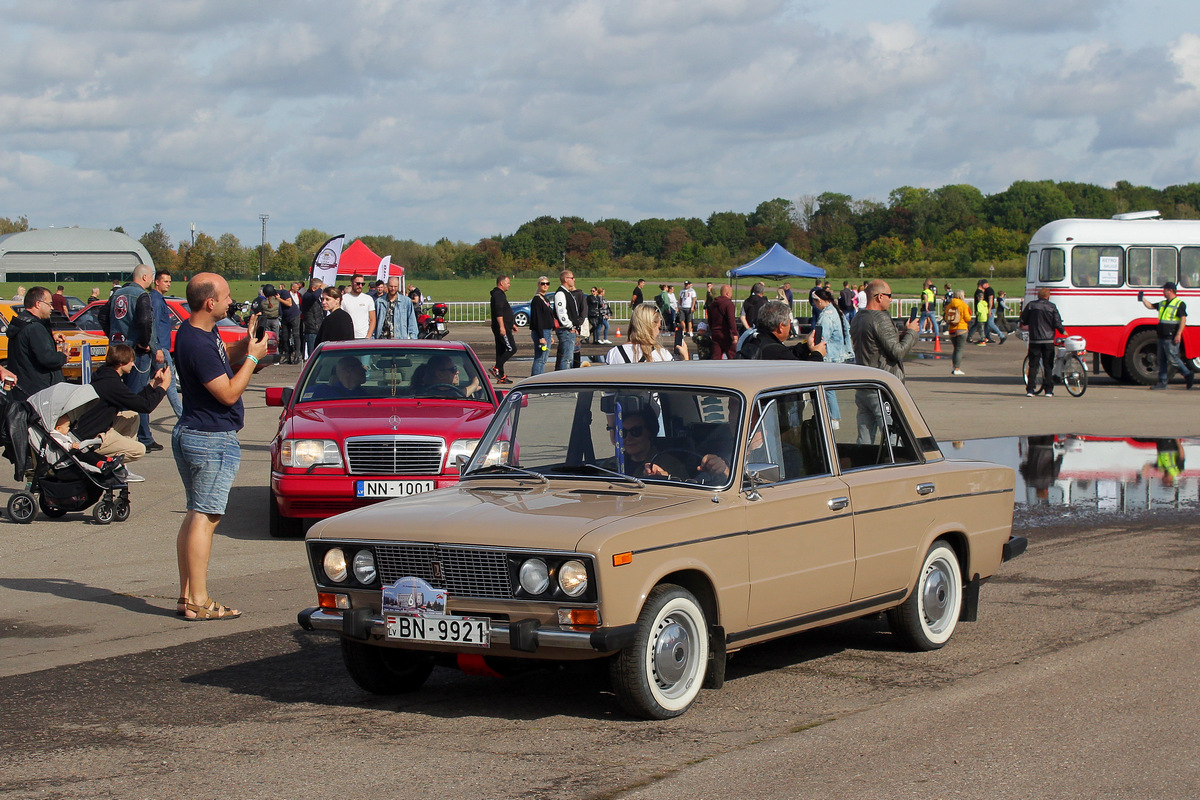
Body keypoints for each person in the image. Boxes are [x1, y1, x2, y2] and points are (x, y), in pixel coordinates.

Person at [172, 272, 268, 622]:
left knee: (195, 514)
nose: (231, 302)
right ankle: (199, 599)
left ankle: (187, 595)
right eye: (226, 297)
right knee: (205, 517)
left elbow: (219, 359)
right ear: (209, 302)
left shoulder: (195, 332)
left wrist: (244, 345)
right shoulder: (196, 342)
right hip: (210, 437)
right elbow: (228, 392)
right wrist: (254, 359)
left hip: (193, 431)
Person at [69, 344, 169, 470]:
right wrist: (163, 387)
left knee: (132, 415)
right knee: (138, 450)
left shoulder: (105, 375)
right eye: (131, 362)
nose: (133, 365)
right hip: (92, 436)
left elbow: (133, 401)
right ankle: (109, 462)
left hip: (98, 426)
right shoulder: (112, 384)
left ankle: (120, 461)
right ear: (121, 363)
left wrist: (153, 384)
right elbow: (146, 406)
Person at [100, 264, 160, 450]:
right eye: (151, 277)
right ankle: (143, 437)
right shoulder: (141, 295)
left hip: (117, 349)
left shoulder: (117, 294)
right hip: (136, 353)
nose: (151, 280)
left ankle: (119, 433)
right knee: (138, 395)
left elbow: (102, 315)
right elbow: (144, 320)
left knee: (118, 392)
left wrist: (113, 335)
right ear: (144, 277)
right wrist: (144, 342)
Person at [850, 279, 918, 382]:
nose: (891, 300)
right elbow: (897, 352)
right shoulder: (880, 318)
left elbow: (878, 344)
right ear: (880, 297)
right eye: (889, 296)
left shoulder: (858, 317)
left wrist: (904, 334)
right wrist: (911, 332)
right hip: (882, 383)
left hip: (865, 381)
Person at [7, 287, 67, 400]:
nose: (52, 307)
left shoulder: (21, 323)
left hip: (23, 388)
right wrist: (63, 357)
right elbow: (47, 358)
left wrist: (50, 338)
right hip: (38, 392)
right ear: (38, 304)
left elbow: (28, 345)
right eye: (49, 304)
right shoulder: (35, 327)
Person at [1140, 281, 1194, 389]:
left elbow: (1183, 319)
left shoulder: (1179, 304)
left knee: (1172, 358)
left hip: (1171, 336)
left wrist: (1178, 334)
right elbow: (1150, 306)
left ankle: (1187, 374)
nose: (1163, 292)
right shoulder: (1163, 303)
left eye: (1164, 290)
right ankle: (1162, 383)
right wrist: (1142, 299)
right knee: (1161, 360)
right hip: (1161, 336)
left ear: (1170, 290)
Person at [1019, 286, 1067, 396]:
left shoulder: (1031, 305)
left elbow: (1023, 320)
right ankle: (1048, 390)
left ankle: (1030, 390)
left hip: (1035, 339)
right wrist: (1063, 331)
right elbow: (1057, 322)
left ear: (1038, 295)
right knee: (1048, 365)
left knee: (1033, 365)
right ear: (1048, 296)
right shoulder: (1052, 307)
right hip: (1048, 340)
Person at [742, 300, 826, 362]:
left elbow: (788, 352)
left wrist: (807, 347)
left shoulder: (752, 338)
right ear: (781, 327)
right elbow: (804, 374)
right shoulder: (776, 351)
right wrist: (817, 354)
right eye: (789, 323)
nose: (790, 328)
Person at [149, 269, 183, 417]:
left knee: (149, 385)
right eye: (165, 281)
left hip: (161, 347)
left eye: (169, 281)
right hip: (160, 349)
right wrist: (157, 349)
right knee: (170, 387)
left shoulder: (159, 299)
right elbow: (153, 325)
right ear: (157, 282)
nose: (168, 284)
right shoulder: (156, 300)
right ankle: (183, 416)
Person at [606, 304, 674, 364]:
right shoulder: (662, 354)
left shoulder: (614, 353)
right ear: (650, 327)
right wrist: (684, 357)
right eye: (659, 328)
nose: (658, 332)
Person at [554, 269, 584, 371]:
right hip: (565, 330)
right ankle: (563, 378)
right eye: (572, 278)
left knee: (569, 357)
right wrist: (570, 325)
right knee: (566, 358)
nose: (574, 280)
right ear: (566, 279)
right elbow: (561, 312)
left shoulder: (568, 293)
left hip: (571, 330)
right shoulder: (561, 293)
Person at [489, 275, 517, 383]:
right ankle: (496, 368)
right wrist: (502, 327)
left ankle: (500, 376)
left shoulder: (500, 295)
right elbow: (499, 312)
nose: (509, 285)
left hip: (505, 326)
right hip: (502, 327)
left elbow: (506, 311)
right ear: (501, 283)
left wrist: (512, 324)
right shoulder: (498, 295)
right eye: (508, 283)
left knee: (501, 351)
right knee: (511, 348)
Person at [374, 276, 419, 340]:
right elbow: (374, 323)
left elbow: (412, 323)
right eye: (391, 286)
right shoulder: (379, 302)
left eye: (395, 287)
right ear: (386, 286)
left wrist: (413, 339)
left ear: (398, 287)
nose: (393, 289)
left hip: (400, 340)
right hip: (382, 340)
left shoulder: (406, 302)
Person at [529, 276, 555, 376]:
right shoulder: (537, 300)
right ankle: (535, 381)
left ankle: (537, 379)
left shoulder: (545, 298)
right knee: (540, 359)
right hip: (541, 332)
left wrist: (550, 335)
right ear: (538, 284)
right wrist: (541, 336)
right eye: (542, 283)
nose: (545, 285)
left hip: (547, 331)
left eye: (547, 283)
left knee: (543, 359)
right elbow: (537, 319)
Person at [943, 289, 973, 376]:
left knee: (956, 349)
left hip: (952, 329)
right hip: (961, 328)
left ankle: (954, 366)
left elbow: (945, 316)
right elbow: (967, 318)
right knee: (959, 349)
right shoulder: (963, 305)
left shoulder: (949, 305)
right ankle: (956, 368)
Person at [340, 274, 376, 339]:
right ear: (351, 283)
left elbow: (372, 319)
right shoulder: (343, 299)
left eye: (362, 284)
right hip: (348, 337)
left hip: (364, 337)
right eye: (358, 283)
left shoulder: (368, 299)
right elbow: (340, 319)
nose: (360, 286)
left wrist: (368, 336)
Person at [707, 284, 737, 360]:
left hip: (715, 333)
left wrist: (712, 330)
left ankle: (714, 370)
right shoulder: (728, 304)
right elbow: (731, 319)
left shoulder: (713, 304)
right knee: (732, 355)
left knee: (716, 356)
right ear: (727, 294)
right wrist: (734, 333)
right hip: (726, 333)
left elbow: (710, 319)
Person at [300, 278, 326, 359]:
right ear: (313, 288)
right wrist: (321, 288)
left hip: (319, 327)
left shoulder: (317, 297)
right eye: (319, 288)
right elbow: (314, 296)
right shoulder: (307, 296)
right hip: (312, 329)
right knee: (313, 354)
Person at [278, 282, 304, 364]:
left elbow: (292, 304)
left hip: (295, 315)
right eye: (296, 287)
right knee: (285, 336)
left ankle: (297, 356)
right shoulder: (287, 293)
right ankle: (287, 355)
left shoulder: (299, 295)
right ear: (292, 287)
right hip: (286, 316)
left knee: (296, 335)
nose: (297, 289)